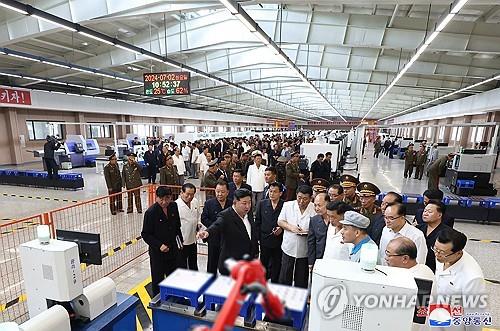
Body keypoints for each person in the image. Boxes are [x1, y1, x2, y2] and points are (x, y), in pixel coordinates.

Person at [434, 228, 486, 331]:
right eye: (435, 249)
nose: (437, 254)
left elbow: (474, 315)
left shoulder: (472, 277)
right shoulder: (442, 255)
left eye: (442, 252)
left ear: (458, 253)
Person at [198, 189, 258, 275]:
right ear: (235, 202)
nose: (248, 206)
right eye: (244, 203)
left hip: (247, 263)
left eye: (249, 202)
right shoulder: (226, 216)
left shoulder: (249, 213)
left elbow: (251, 235)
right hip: (231, 265)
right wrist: (207, 232)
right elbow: (217, 225)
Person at [384, 237, 435, 331]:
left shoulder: (414, 282)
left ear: (405, 258)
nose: (386, 258)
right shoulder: (424, 268)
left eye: (389, 255)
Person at [141, 186, 183, 296]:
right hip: (158, 253)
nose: (164, 202)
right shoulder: (151, 213)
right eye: (161, 199)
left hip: (173, 250)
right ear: (156, 198)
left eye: (167, 198)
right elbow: (145, 234)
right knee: (158, 279)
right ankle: (157, 301)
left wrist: (180, 242)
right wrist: (159, 245)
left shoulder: (173, 206)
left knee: (173, 276)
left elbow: (177, 226)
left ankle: (173, 297)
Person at [277, 185, 315, 288]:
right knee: (285, 274)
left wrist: (307, 232)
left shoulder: (314, 208)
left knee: (301, 277)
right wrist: (291, 228)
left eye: (305, 199)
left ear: (310, 198)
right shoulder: (288, 205)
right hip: (289, 246)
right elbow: (280, 221)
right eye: (299, 197)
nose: (301, 201)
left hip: (305, 248)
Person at [255, 182, 285, 282]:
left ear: (280, 193)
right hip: (265, 240)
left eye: (275, 192)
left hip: (279, 241)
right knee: (263, 263)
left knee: (277, 263)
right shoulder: (262, 204)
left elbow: (287, 222)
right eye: (270, 191)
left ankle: (275, 283)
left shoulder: (285, 205)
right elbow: (258, 222)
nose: (272, 194)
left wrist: (281, 229)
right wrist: (258, 238)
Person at [201, 180, 232, 274]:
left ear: (228, 192)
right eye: (218, 191)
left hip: (228, 239)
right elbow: (204, 218)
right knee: (212, 264)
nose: (220, 194)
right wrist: (215, 227)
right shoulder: (209, 203)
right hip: (214, 238)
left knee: (227, 265)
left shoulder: (232, 204)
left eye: (222, 192)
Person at [416, 200, 452, 273]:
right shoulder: (418, 229)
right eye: (425, 211)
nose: (425, 214)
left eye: (429, 212)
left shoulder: (447, 233)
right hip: (418, 267)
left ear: (439, 215)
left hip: (436, 270)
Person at [176, 183, 200, 270]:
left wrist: (199, 225)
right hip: (182, 242)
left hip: (193, 240)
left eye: (192, 194)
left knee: (193, 263)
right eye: (187, 194)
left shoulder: (195, 202)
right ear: (181, 193)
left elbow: (197, 216)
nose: (190, 197)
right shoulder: (176, 206)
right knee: (182, 265)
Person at [307, 193, 331, 270]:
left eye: (319, 205)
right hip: (319, 259)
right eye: (315, 205)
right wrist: (311, 262)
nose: (317, 208)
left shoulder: (336, 219)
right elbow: (311, 242)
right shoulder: (314, 220)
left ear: (328, 203)